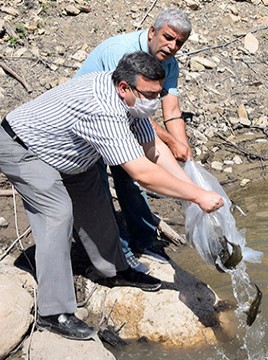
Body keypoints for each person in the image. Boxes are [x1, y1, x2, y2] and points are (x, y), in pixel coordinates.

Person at [0, 51, 223, 340]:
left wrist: (193, 188)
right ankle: (54, 311)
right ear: (125, 87)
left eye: (159, 93)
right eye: (150, 94)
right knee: (58, 214)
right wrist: (196, 196)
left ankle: (114, 270)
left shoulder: (133, 103)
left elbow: (152, 152)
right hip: (24, 148)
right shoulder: (102, 108)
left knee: (98, 207)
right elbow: (142, 173)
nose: (155, 100)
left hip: (72, 152)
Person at [75, 8, 192, 269]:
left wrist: (182, 146)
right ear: (152, 32)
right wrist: (170, 143)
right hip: (91, 120)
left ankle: (144, 240)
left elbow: (171, 110)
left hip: (125, 118)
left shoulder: (169, 63)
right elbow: (136, 106)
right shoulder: (124, 53)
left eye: (179, 43)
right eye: (168, 37)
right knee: (100, 187)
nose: (172, 47)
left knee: (131, 180)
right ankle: (118, 252)